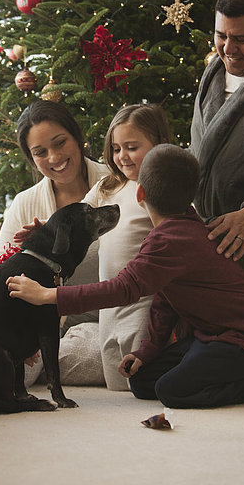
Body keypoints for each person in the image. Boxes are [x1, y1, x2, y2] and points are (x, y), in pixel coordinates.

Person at [7, 144, 244, 410]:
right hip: (214, 336)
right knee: (143, 381)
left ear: (140, 193)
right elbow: (166, 297)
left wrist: (48, 295)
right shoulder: (186, 224)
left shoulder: (170, 239)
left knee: (171, 391)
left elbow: (122, 288)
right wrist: (147, 351)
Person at [0, 99, 108, 385]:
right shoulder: (26, 203)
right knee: (4, 366)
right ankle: (40, 361)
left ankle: (42, 363)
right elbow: (1, 273)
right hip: (39, 326)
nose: (54, 157)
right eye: (40, 152)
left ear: (77, 137)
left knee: (104, 352)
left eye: (60, 143)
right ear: (31, 159)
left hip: (98, 321)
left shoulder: (114, 183)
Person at [190, 0, 244, 300]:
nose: (227, 49)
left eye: (240, 39)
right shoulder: (213, 72)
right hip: (207, 255)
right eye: (221, 36)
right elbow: (201, 149)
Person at [82, 104, 171, 390]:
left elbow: (176, 240)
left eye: (131, 147)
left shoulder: (161, 189)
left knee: (138, 379)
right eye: (116, 148)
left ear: (158, 144)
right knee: (115, 384)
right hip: (108, 302)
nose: (122, 156)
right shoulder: (107, 187)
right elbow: (77, 216)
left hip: (144, 301)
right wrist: (43, 226)